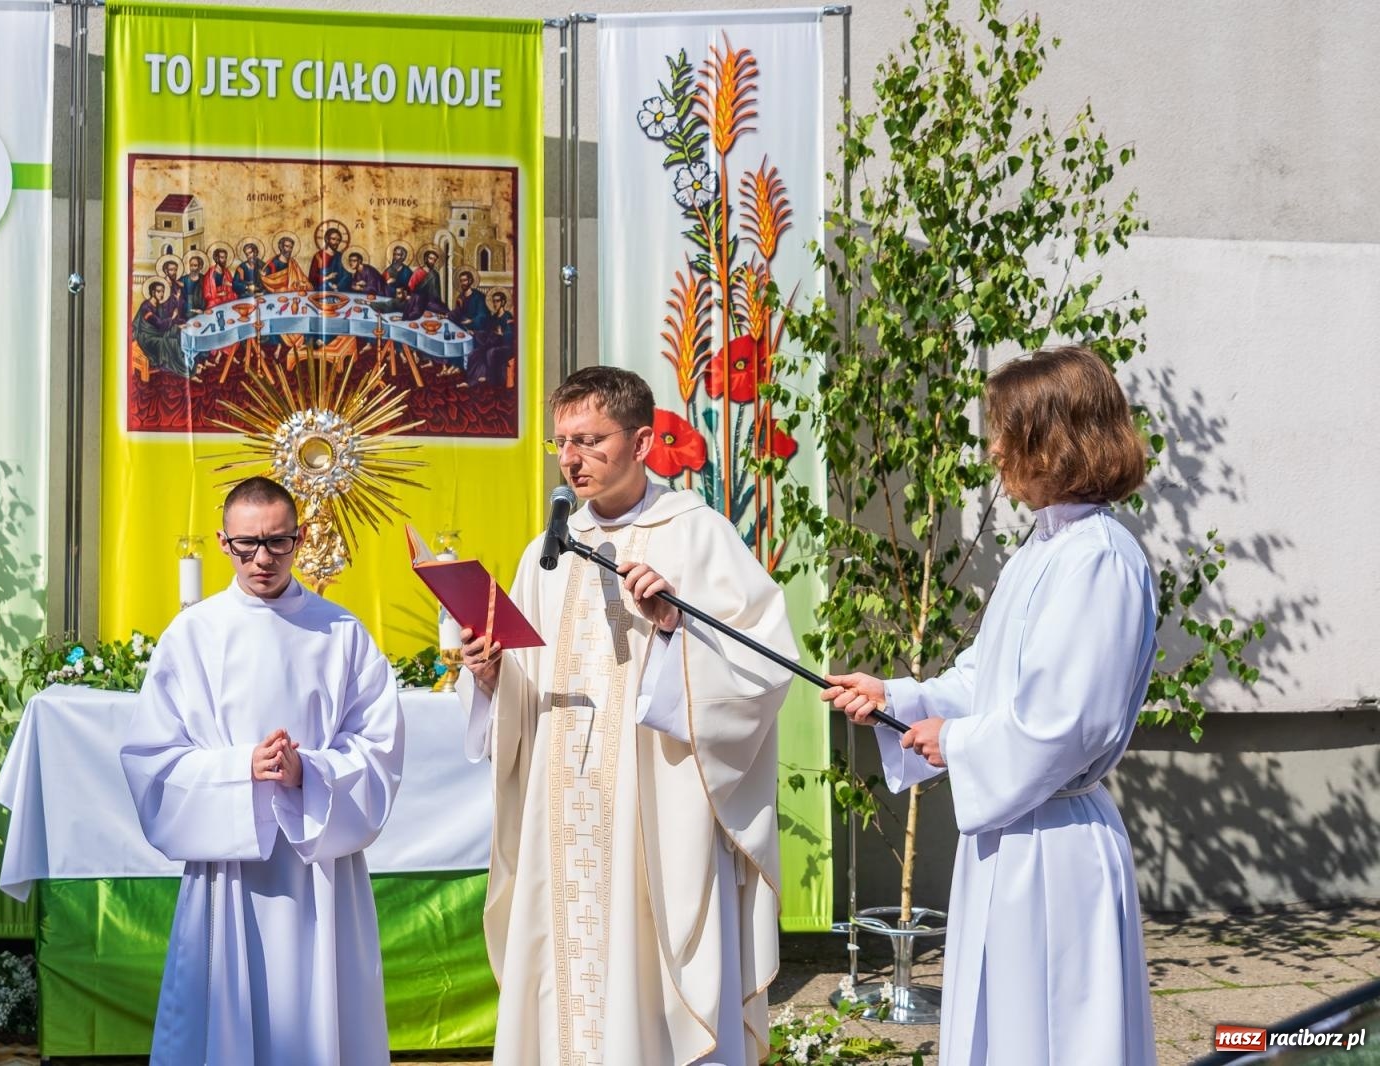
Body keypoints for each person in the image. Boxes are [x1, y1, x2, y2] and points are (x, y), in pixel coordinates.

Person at [822, 345, 1159, 1066]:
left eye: (1007, 430)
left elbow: (1067, 723)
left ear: (1059, 438)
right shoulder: (1044, 549)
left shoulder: (1098, 557)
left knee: (1056, 1034)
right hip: (1008, 837)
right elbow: (988, 682)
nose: (994, 448)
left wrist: (961, 744)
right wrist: (899, 700)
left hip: (1054, 846)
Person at [458, 366, 796, 1066]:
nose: (572, 459)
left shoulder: (695, 537)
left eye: (590, 440)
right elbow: (524, 688)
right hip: (563, 808)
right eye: (562, 443)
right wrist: (492, 675)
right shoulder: (545, 551)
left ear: (643, 441)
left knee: (642, 977)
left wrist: (675, 629)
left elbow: (760, 669)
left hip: (651, 809)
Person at [120, 476, 404, 1066]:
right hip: (229, 868)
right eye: (248, 544)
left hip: (319, 868)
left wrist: (311, 772)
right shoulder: (192, 636)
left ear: (300, 540)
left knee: (319, 1005)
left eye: (279, 542)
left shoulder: (342, 632)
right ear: (223, 543)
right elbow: (153, 759)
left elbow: (379, 747)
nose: (263, 559)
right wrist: (238, 769)